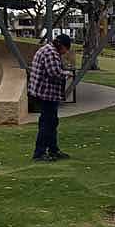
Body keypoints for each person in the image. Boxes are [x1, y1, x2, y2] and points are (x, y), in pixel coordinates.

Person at [29, 34, 73, 162]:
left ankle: (53, 150)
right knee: (47, 124)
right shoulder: (51, 53)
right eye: (66, 49)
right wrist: (67, 73)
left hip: (43, 92)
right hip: (46, 94)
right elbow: (54, 73)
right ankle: (39, 153)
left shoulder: (46, 49)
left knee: (52, 122)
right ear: (62, 46)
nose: (65, 53)